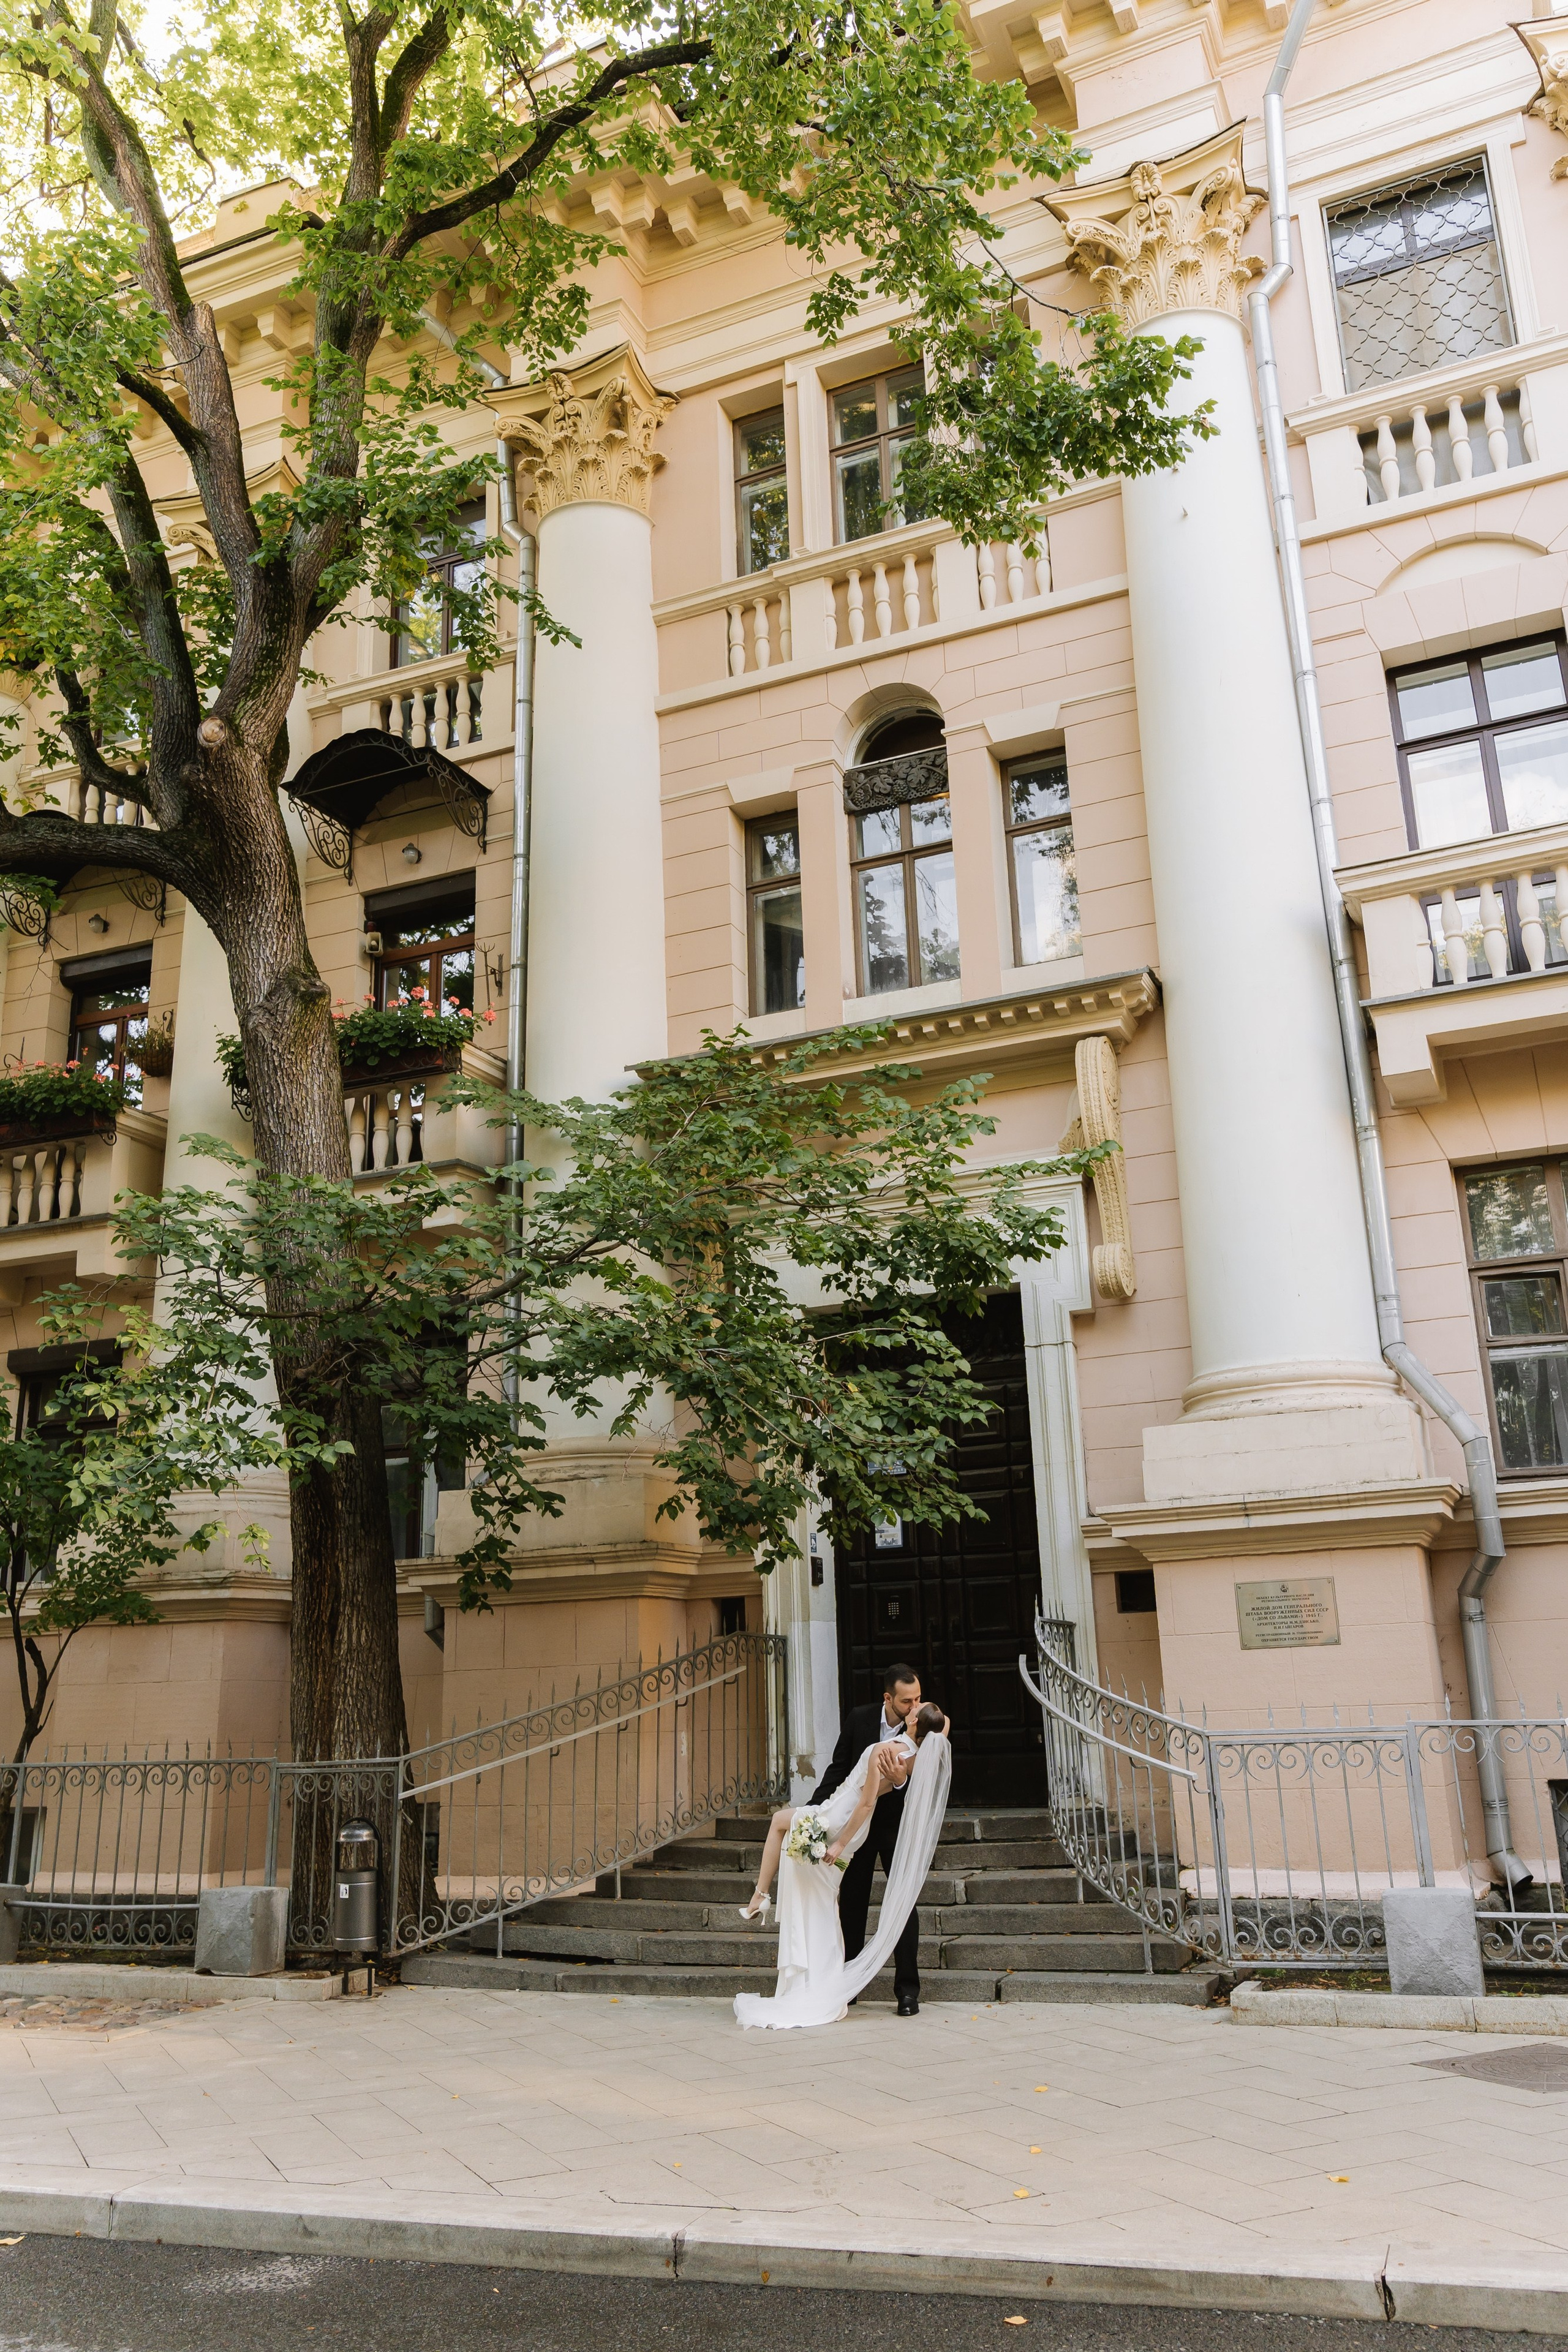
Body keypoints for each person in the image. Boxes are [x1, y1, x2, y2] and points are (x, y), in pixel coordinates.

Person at [733, 1694, 951, 2033]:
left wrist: (839, 1843)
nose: (914, 1706)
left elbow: (866, 1804)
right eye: (912, 1701)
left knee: (778, 1823)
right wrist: (905, 1768)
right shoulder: (918, 1753)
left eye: (917, 1706)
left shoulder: (887, 1750)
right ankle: (823, 1978)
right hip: (845, 1814)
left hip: (842, 1817)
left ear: (912, 1721)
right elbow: (940, 1726)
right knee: (828, 1899)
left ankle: (761, 1896)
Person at [815, 1663, 929, 2015]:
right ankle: (848, 1988)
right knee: (851, 1904)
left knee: (903, 1906)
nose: (915, 1707)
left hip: (898, 1827)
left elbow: (931, 1779)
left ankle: (907, 1992)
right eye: (907, 1701)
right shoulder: (859, 1718)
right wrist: (814, 1811)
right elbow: (839, 1768)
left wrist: (902, 1780)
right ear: (888, 1698)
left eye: (918, 1698)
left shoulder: (927, 1725)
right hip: (857, 1827)